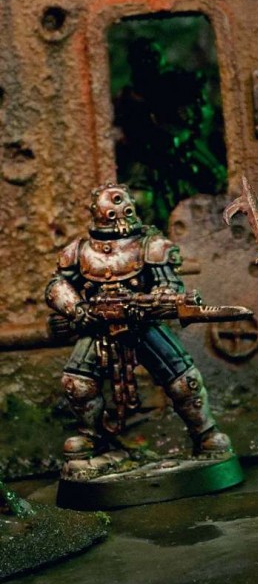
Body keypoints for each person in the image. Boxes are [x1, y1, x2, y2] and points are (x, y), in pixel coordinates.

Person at [45, 184, 231, 466]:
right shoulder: (79, 251)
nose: (120, 213)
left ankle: (205, 433)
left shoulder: (151, 246)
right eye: (114, 207)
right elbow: (56, 285)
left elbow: (169, 285)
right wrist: (77, 309)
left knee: (184, 380)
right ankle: (91, 436)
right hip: (99, 329)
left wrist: (158, 300)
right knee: (78, 384)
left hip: (142, 326)